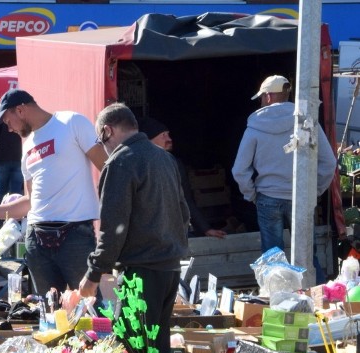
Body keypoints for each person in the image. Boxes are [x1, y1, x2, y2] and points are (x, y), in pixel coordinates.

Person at [78, 103, 189, 353]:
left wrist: (93, 275)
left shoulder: (120, 161)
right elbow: (183, 214)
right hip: (169, 269)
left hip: (141, 273)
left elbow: (113, 228)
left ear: (108, 130)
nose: (102, 146)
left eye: (100, 139)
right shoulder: (165, 158)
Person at [0, 89, 106, 295]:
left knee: (88, 307)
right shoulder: (27, 147)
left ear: (20, 110)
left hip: (75, 235)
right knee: (49, 312)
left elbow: (106, 167)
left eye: (8, 122)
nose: (8, 129)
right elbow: (29, 202)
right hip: (37, 239)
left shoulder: (72, 122)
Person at [232, 75, 337, 253]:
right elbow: (329, 163)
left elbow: (239, 170)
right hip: (301, 197)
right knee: (308, 259)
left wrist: (252, 195)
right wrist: (315, 191)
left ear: (268, 96)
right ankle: (313, 281)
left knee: (273, 261)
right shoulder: (306, 122)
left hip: (268, 198)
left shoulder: (255, 127)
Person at [138, 117, 226, 239]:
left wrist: (205, 228)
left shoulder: (175, 164)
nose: (169, 139)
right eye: (163, 135)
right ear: (149, 139)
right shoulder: (136, 164)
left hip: (173, 231)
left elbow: (186, 199)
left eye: (168, 134)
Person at [0, 118, 24, 200]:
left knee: (1, 190)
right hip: (19, 157)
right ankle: (16, 212)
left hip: (2, 158)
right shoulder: (20, 115)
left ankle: (1, 211)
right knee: (17, 191)